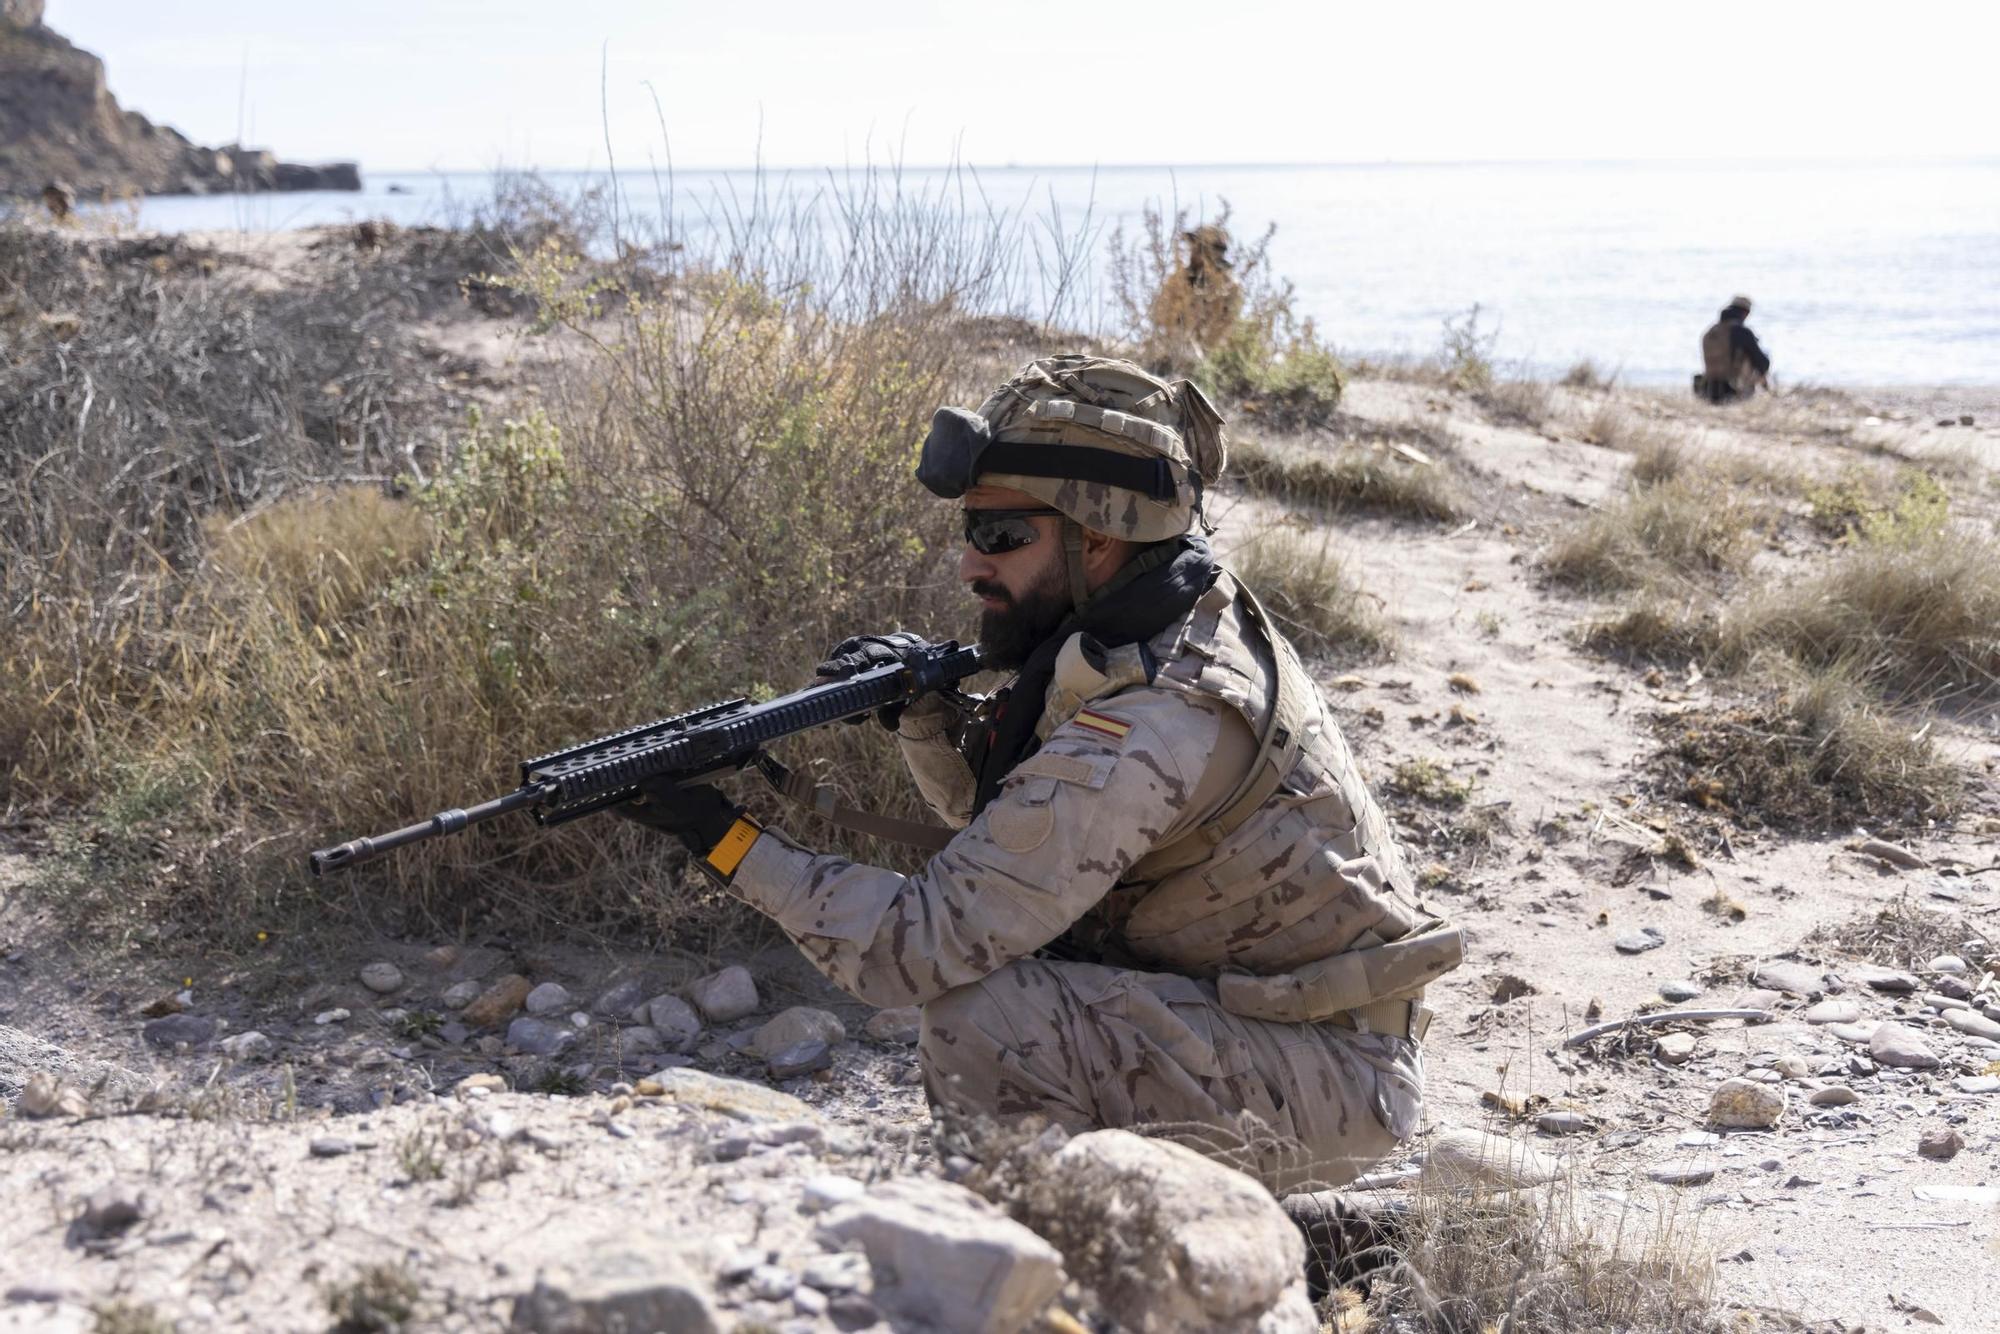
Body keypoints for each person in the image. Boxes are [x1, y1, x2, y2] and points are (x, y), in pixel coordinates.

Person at [619, 355, 1462, 1205]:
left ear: (1095, 536)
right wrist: (922, 712)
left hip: (1329, 1076)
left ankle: (1071, 1258)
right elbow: (1010, 819)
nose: (969, 567)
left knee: (986, 1017)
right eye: (969, 534)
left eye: (998, 537)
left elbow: (914, 949)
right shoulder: (1148, 619)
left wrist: (723, 840)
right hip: (1265, 1021)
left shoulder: (1158, 718)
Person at [1694, 295, 1771, 403]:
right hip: (1731, 391)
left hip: (1705, 389)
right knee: (1757, 358)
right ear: (1745, 313)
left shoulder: (1710, 332)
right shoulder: (1743, 332)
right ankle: (1768, 396)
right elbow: (1762, 363)